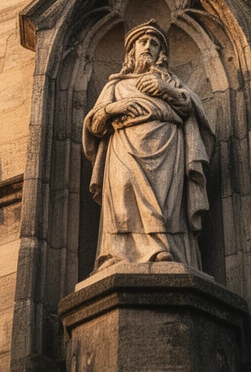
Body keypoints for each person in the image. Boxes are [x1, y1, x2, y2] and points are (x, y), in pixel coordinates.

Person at [83, 21, 214, 271]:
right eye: (142, 42)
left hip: (167, 147)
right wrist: (114, 108)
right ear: (131, 51)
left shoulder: (172, 83)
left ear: (160, 54)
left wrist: (166, 91)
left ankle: (166, 249)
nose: (148, 47)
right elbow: (95, 126)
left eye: (154, 44)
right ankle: (117, 254)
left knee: (167, 203)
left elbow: (191, 109)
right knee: (122, 195)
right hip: (124, 146)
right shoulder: (116, 86)